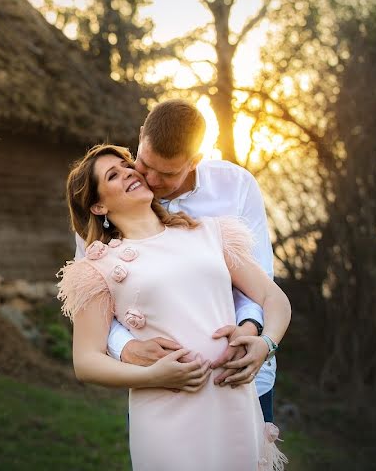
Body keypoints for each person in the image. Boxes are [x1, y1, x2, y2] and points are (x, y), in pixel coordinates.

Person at [58, 143, 290, 470]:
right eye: (113, 175)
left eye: (127, 166)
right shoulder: (98, 268)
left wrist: (266, 343)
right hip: (165, 412)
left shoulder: (212, 232)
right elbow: (85, 361)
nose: (128, 173)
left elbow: (273, 298)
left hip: (233, 403)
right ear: (97, 206)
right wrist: (152, 375)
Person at [73, 99, 278, 422]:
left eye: (166, 173)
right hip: (162, 392)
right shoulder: (105, 220)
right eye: (143, 163)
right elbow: (96, 303)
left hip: (242, 376)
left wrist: (251, 331)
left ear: (196, 160)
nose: (150, 180)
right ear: (141, 136)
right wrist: (126, 348)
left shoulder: (235, 187)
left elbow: (261, 280)